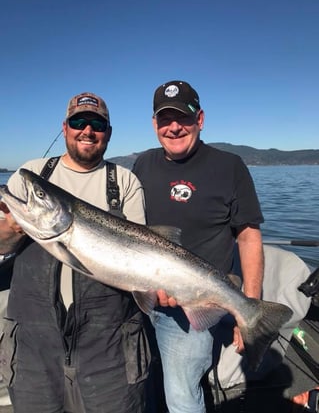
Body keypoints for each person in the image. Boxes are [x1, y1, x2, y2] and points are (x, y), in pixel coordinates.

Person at [0, 92, 151, 413]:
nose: (87, 129)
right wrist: (14, 227)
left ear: (108, 132)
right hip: (34, 345)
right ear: (65, 127)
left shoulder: (125, 182)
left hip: (109, 343)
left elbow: (146, 253)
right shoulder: (31, 174)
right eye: (78, 121)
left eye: (96, 123)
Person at [132, 80, 265, 413]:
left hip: (193, 305)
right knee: (145, 385)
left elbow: (248, 237)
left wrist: (248, 309)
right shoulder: (141, 165)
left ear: (200, 119)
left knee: (181, 397)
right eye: (165, 119)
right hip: (142, 298)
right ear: (154, 124)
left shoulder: (230, 166)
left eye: (183, 118)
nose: (174, 127)